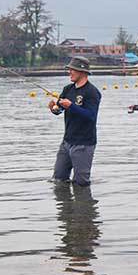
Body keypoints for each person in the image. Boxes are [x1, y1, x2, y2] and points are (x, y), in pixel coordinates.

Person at [48, 56, 102, 186]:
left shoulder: (92, 92)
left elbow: (91, 116)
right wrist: (54, 109)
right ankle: (65, 205)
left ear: (82, 72)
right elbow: (60, 109)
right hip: (67, 142)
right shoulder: (68, 89)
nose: (69, 72)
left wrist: (71, 106)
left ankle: (84, 205)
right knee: (58, 179)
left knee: (81, 183)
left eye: (72, 70)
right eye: (69, 69)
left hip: (84, 144)